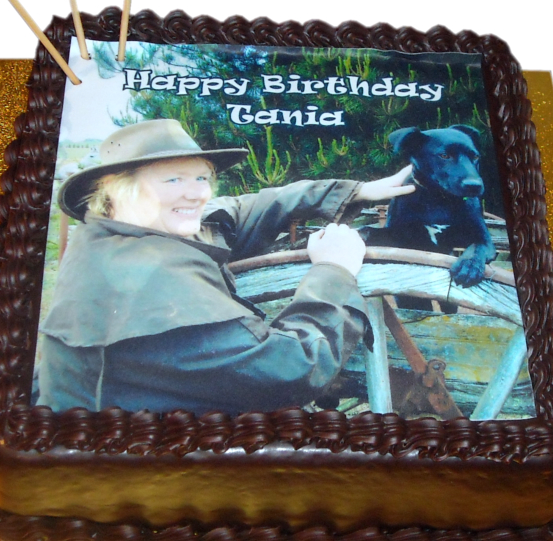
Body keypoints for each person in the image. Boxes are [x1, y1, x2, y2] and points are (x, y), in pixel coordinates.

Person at [36, 119, 414, 414]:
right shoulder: (149, 279)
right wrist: (334, 271)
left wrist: (357, 191)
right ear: (118, 189)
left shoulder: (117, 230)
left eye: (202, 177)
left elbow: (234, 209)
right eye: (173, 179)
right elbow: (291, 370)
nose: (197, 193)